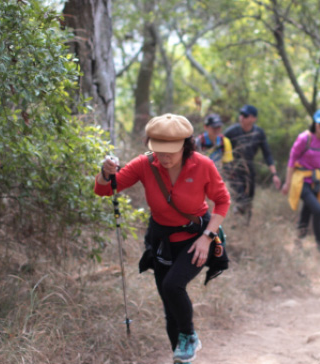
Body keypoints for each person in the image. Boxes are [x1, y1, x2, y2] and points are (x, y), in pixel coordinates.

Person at [95, 114, 231, 363]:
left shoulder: (202, 165)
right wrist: (106, 172)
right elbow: (105, 189)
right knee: (170, 309)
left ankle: (189, 336)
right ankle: (181, 358)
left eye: (171, 151)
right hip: (162, 242)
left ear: (186, 144)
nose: (164, 157)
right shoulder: (145, 164)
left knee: (172, 286)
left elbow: (222, 200)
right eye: (159, 150)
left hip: (195, 239)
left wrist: (207, 237)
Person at [281, 109, 320, 253]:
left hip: (316, 180)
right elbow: (292, 161)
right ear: (315, 123)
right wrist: (287, 183)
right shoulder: (304, 138)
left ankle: (298, 241)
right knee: (318, 210)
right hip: (301, 180)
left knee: (307, 211)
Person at [224, 104, 281, 223]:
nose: (241, 117)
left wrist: (274, 174)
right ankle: (235, 220)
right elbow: (219, 145)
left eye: (245, 115)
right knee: (241, 198)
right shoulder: (231, 131)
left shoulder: (259, 133)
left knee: (249, 200)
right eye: (241, 114)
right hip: (234, 170)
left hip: (250, 170)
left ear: (253, 118)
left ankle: (245, 225)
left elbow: (267, 154)